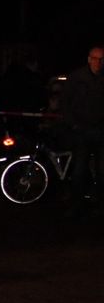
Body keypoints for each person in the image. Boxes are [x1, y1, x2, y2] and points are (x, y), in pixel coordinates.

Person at [60, 45, 104, 207]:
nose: (97, 63)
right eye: (95, 59)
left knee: (101, 171)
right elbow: (65, 103)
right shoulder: (77, 77)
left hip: (100, 130)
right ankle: (76, 204)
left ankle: (98, 202)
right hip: (81, 131)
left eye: (101, 59)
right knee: (79, 169)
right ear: (88, 59)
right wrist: (73, 125)